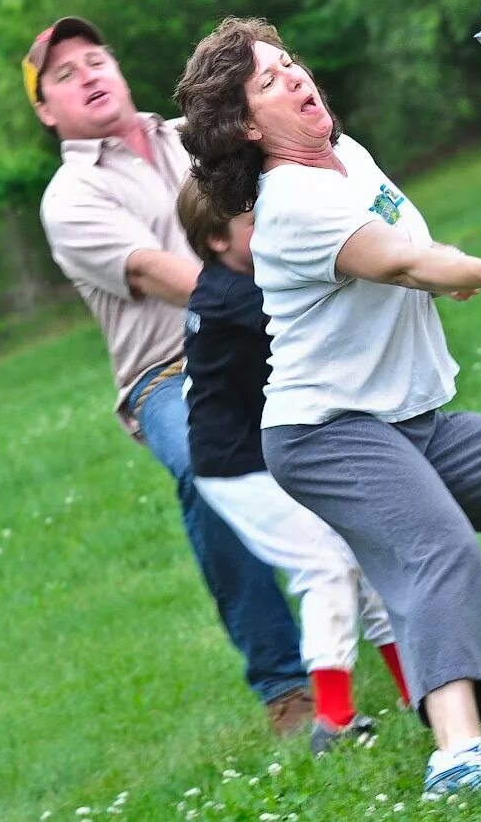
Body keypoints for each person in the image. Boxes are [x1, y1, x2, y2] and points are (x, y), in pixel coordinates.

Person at [174, 16, 481, 795]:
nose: (296, 76)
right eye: (270, 80)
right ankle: (457, 752)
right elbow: (398, 258)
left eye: (291, 61)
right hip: (325, 430)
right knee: (435, 546)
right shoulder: (290, 201)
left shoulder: (347, 157)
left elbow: (409, 247)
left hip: (407, 417)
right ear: (242, 124)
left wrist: (455, 269)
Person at [26, 17, 311, 734]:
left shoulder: (195, 134)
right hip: (169, 371)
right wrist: (275, 299)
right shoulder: (68, 198)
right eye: (65, 74)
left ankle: (402, 610)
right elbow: (161, 272)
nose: (89, 74)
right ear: (45, 110)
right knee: (207, 466)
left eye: (97, 59)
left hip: (266, 333)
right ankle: (285, 683)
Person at [176, 176, 412, 755]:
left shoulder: (242, 281)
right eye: (252, 223)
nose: (268, 228)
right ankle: (332, 720)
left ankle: (418, 689)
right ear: (215, 240)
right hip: (239, 469)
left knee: (367, 553)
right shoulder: (234, 300)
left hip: (275, 451)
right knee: (327, 566)